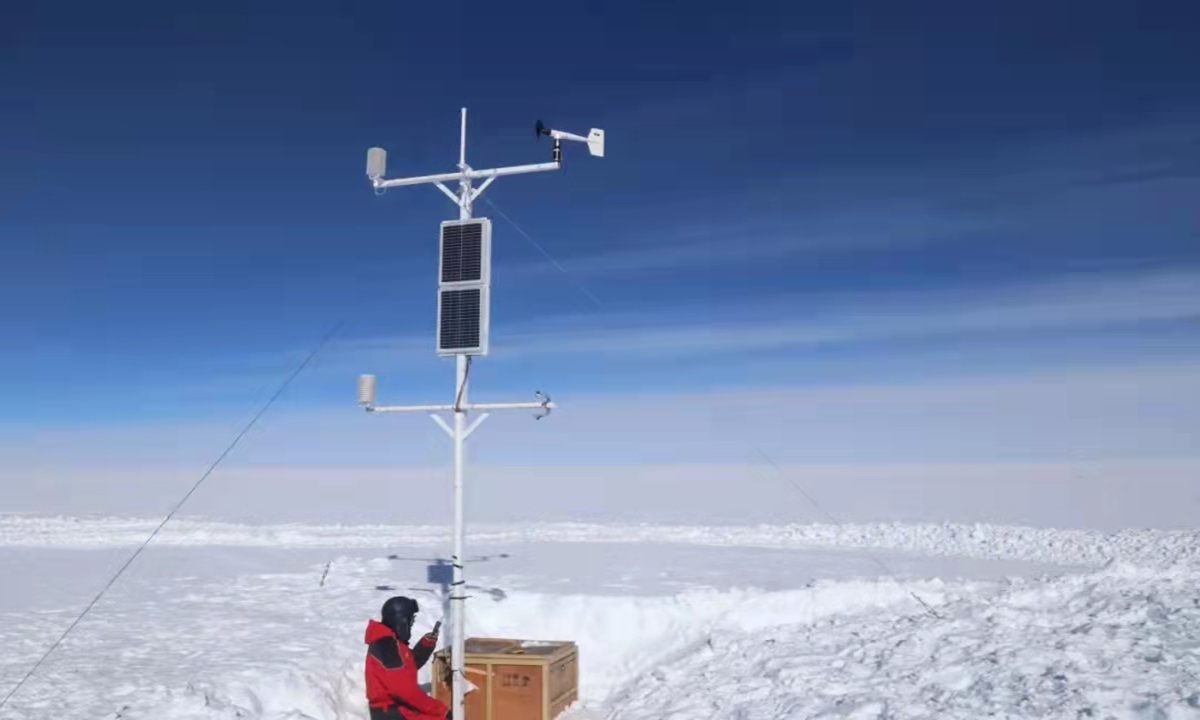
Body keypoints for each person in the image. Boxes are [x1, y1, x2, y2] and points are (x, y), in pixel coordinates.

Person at [365, 595, 450, 720]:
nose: (412, 624)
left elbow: (409, 667)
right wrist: (442, 710)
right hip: (392, 713)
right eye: (411, 620)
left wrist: (425, 645)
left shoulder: (391, 642)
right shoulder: (386, 646)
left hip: (397, 711)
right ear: (401, 621)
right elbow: (406, 692)